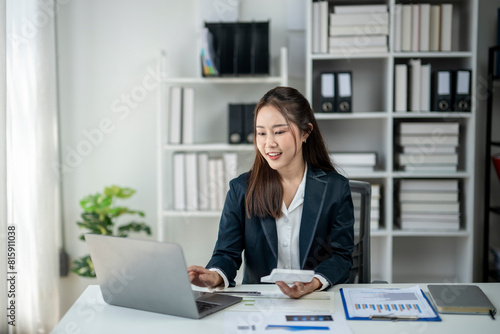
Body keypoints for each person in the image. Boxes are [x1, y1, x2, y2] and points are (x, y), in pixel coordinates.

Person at [188, 86, 354, 299]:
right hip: (261, 301)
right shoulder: (241, 189)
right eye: (261, 133)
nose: (269, 143)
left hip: (316, 298)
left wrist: (312, 283)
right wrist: (214, 275)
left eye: (279, 131)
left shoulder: (335, 188)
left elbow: (341, 256)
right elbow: (226, 254)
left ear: (306, 132)